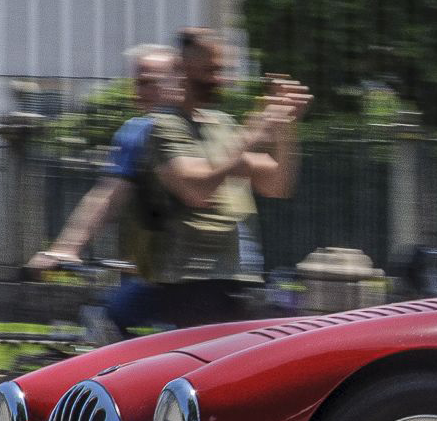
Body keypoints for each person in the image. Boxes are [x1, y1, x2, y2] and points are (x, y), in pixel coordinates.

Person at [134, 27, 312, 327]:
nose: (221, 79)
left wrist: (285, 124)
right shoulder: (164, 127)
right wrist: (252, 132)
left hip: (239, 280)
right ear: (183, 69)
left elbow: (278, 185)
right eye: (211, 70)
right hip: (190, 284)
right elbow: (196, 190)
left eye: (222, 69)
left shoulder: (223, 124)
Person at [31, 42, 175, 334]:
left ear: (177, 83)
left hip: (173, 275)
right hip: (220, 274)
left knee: (106, 319)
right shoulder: (211, 126)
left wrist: (65, 249)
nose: (139, 91)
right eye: (137, 82)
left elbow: (108, 196)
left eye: (149, 82)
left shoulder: (143, 131)